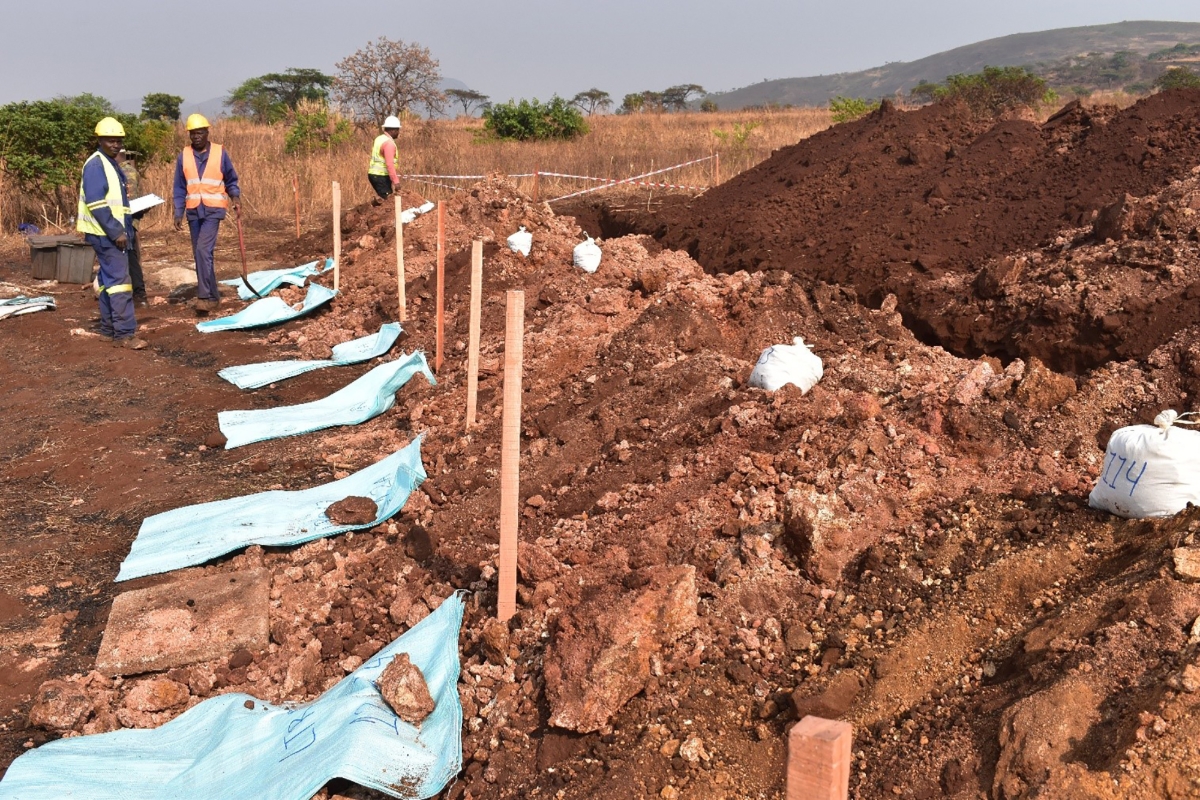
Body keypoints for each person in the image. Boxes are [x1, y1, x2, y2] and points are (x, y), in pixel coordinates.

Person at [77, 117, 146, 349]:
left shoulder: (109, 163)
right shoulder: (97, 165)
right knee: (120, 283)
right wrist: (117, 231)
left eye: (118, 141)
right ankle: (125, 334)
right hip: (106, 234)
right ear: (100, 140)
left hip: (109, 232)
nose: (116, 145)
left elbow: (116, 202)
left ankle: (108, 330)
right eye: (110, 140)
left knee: (108, 282)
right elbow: (97, 203)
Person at [173, 113, 240, 314]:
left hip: (213, 210)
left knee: (203, 250)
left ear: (207, 132)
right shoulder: (183, 156)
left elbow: (231, 179)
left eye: (200, 133)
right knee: (201, 254)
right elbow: (179, 187)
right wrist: (178, 211)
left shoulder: (220, 153)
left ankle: (204, 297)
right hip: (194, 211)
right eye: (193, 134)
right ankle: (213, 296)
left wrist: (235, 197)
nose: (196, 137)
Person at [117, 148, 148, 305]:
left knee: (130, 257)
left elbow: (132, 200)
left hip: (126, 222)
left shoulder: (126, 171)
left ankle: (139, 294)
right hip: (125, 221)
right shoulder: (122, 170)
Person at [367, 115, 402, 202]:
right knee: (388, 202)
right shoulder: (389, 144)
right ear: (393, 130)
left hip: (374, 174)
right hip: (380, 176)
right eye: (398, 130)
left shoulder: (379, 138)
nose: (398, 132)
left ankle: (375, 205)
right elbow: (389, 164)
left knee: (383, 200)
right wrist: (396, 181)